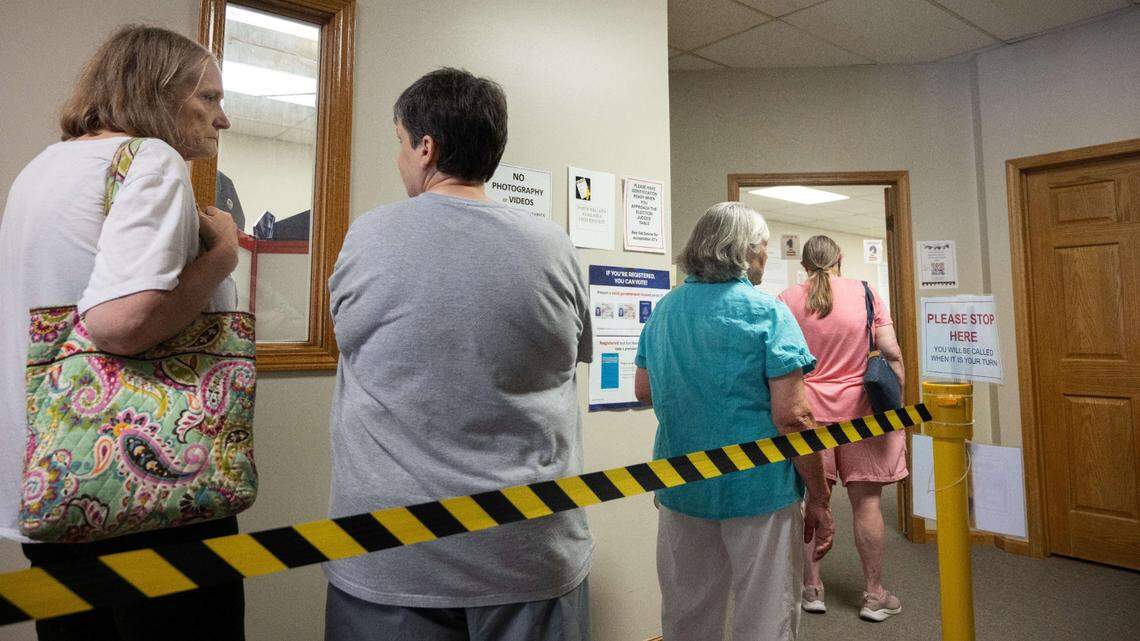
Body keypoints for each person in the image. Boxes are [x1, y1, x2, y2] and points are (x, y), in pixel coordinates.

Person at [324, 68, 593, 641]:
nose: (400, 157)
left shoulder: (369, 237)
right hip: (529, 549)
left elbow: (348, 339)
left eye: (400, 141)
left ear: (427, 148)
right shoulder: (553, 246)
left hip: (393, 552)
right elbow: (571, 358)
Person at [0, 25, 243, 640]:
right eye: (209, 98)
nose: (223, 119)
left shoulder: (44, 168)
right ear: (158, 92)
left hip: (55, 479)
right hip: (146, 501)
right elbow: (121, 324)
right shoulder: (151, 161)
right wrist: (220, 258)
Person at [634, 202, 835, 641]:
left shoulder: (664, 311)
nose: (765, 259)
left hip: (681, 483)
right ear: (744, 252)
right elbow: (795, 418)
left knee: (687, 612)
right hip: (758, 491)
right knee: (766, 614)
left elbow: (645, 391)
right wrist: (819, 496)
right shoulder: (767, 313)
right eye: (763, 248)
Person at [778, 235, 907, 622]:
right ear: (840, 259)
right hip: (863, 415)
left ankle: (812, 588)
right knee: (867, 503)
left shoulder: (786, 299)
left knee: (812, 500)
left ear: (803, 265)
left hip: (808, 414)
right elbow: (892, 353)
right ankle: (873, 594)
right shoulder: (866, 294)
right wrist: (896, 403)